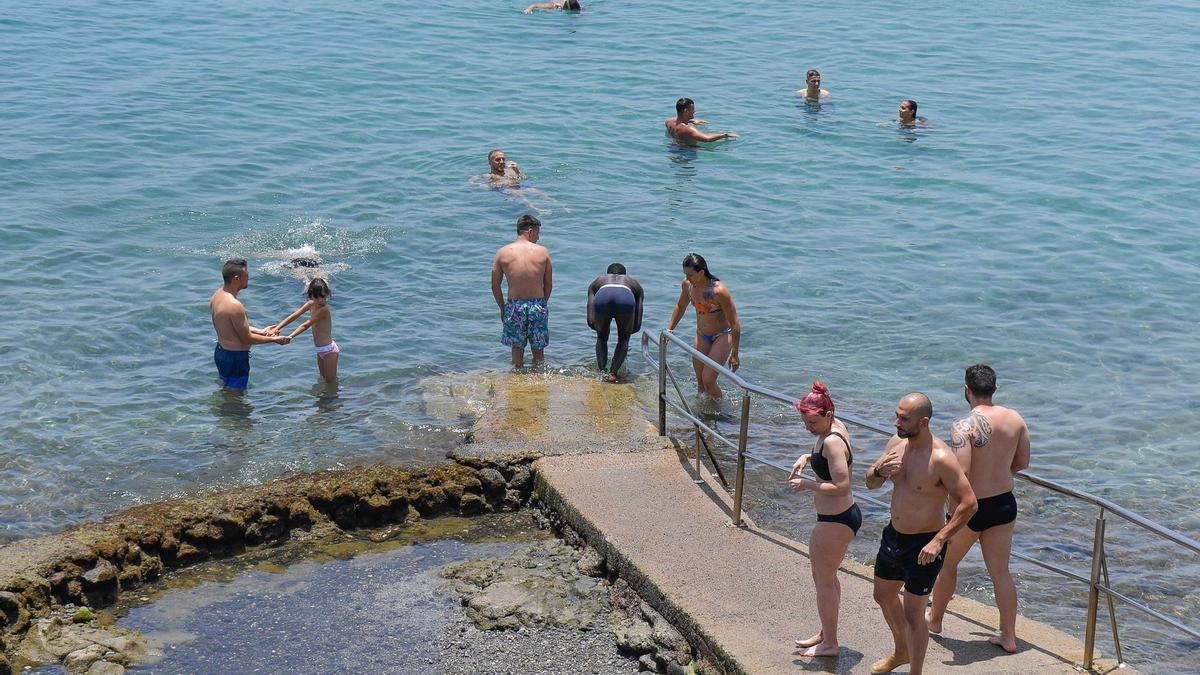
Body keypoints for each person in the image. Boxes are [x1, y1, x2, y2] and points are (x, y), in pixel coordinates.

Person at [865, 393, 977, 674]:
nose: (897, 422)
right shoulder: (896, 445)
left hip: (924, 544)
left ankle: (915, 670)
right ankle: (901, 651)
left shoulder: (941, 459)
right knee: (882, 595)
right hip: (894, 536)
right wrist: (878, 470)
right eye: (897, 415)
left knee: (914, 614)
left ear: (924, 422)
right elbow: (870, 484)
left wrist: (940, 540)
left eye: (904, 418)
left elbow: (969, 503)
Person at [927, 365, 1030, 653]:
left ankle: (935, 621)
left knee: (947, 565)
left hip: (971, 507)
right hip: (1004, 503)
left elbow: (961, 473)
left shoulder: (963, 426)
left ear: (966, 391)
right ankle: (1009, 636)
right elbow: (1022, 463)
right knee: (1001, 573)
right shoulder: (1016, 419)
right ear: (995, 389)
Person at [788, 381, 859, 658]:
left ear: (828, 415)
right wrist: (808, 456)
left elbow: (842, 485)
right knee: (826, 578)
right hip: (838, 517)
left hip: (837, 519)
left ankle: (830, 644)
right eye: (805, 421)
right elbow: (829, 459)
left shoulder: (832, 439)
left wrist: (807, 485)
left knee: (824, 581)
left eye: (812, 422)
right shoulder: (833, 427)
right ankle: (826, 633)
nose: (808, 427)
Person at [209, 258, 290, 391]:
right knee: (236, 397)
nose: (249, 277)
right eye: (246, 274)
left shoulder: (218, 295)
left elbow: (232, 326)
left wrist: (261, 331)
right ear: (236, 278)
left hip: (221, 353)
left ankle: (223, 411)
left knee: (226, 389)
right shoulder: (234, 305)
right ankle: (232, 412)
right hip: (236, 359)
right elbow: (246, 338)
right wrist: (274, 339)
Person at [667, 253, 740, 397]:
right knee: (700, 381)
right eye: (685, 274)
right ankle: (703, 412)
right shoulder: (688, 286)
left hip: (723, 335)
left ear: (701, 272)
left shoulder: (718, 292)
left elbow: (735, 323)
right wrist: (669, 330)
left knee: (708, 380)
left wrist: (735, 354)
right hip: (701, 334)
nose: (687, 278)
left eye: (690, 275)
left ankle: (722, 412)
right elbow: (680, 306)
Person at [491, 214, 553, 368]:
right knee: (538, 352)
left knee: (516, 350)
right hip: (537, 305)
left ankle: (517, 384)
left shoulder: (502, 253)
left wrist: (503, 308)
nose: (538, 238)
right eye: (538, 233)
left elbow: (495, 285)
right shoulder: (543, 252)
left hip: (514, 306)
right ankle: (539, 381)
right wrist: (542, 304)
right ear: (530, 232)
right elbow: (548, 284)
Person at [273, 278, 339, 384]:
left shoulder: (324, 309)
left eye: (323, 296)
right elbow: (294, 315)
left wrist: (290, 336)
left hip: (329, 351)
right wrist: (277, 328)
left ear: (327, 294)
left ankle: (337, 398)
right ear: (310, 296)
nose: (321, 300)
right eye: (317, 297)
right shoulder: (310, 304)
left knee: (331, 383)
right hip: (320, 350)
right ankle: (325, 399)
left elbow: (306, 325)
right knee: (323, 380)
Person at [587, 263, 644, 382]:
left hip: (603, 295)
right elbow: (637, 325)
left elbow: (590, 320)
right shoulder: (634, 283)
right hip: (625, 297)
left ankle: (602, 371)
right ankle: (613, 373)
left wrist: (600, 329)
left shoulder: (598, 281)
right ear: (624, 275)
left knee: (601, 338)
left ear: (608, 274)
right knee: (623, 339)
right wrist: (626, 332)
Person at [665, 98, 739, 143]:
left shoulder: (669, 121)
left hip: (673, 148)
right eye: (692, 109)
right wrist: (725, 135)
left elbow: (678, 119)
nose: (694, 111)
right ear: (685, 111)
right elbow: (707, 139)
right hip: (687, 153)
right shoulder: (688, 129)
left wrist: (691, 120)